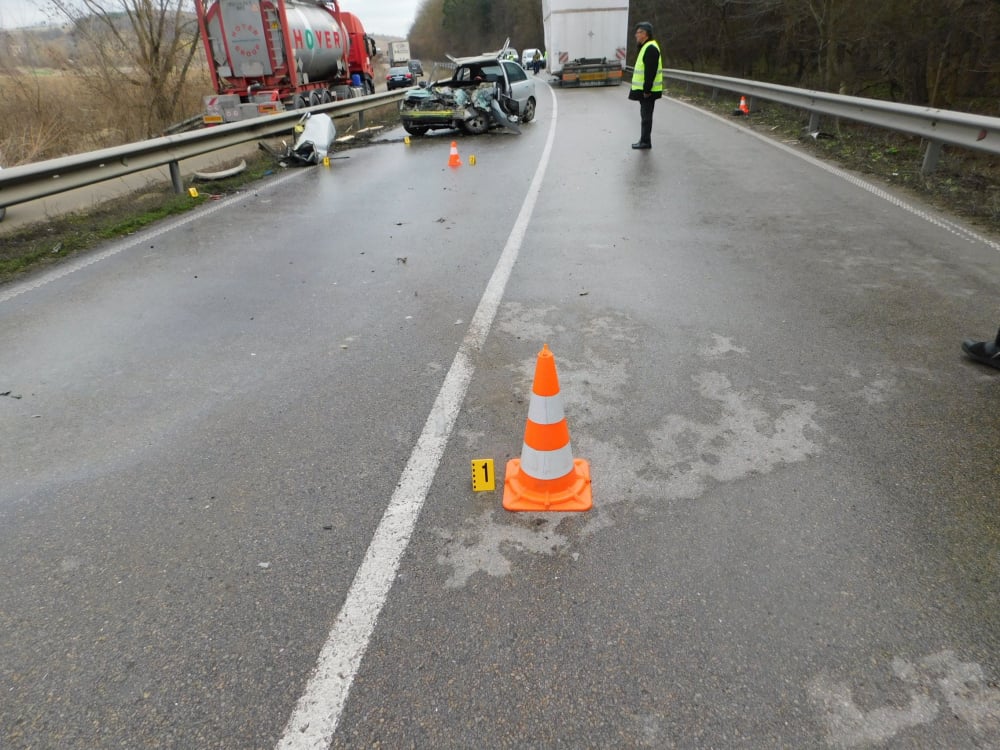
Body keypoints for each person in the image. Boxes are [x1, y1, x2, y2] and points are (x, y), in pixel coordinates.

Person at [628, 21, 662, 150]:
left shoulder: (651, 48)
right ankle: (644, 140)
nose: (636, 35)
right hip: (646, 90)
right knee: (645, 116)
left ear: (645, 34)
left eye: (639, 32)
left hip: (648, 91)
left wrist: (647, 90)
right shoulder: (646, 47)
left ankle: (645, 142)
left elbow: (650, 71)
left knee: (646, 117)